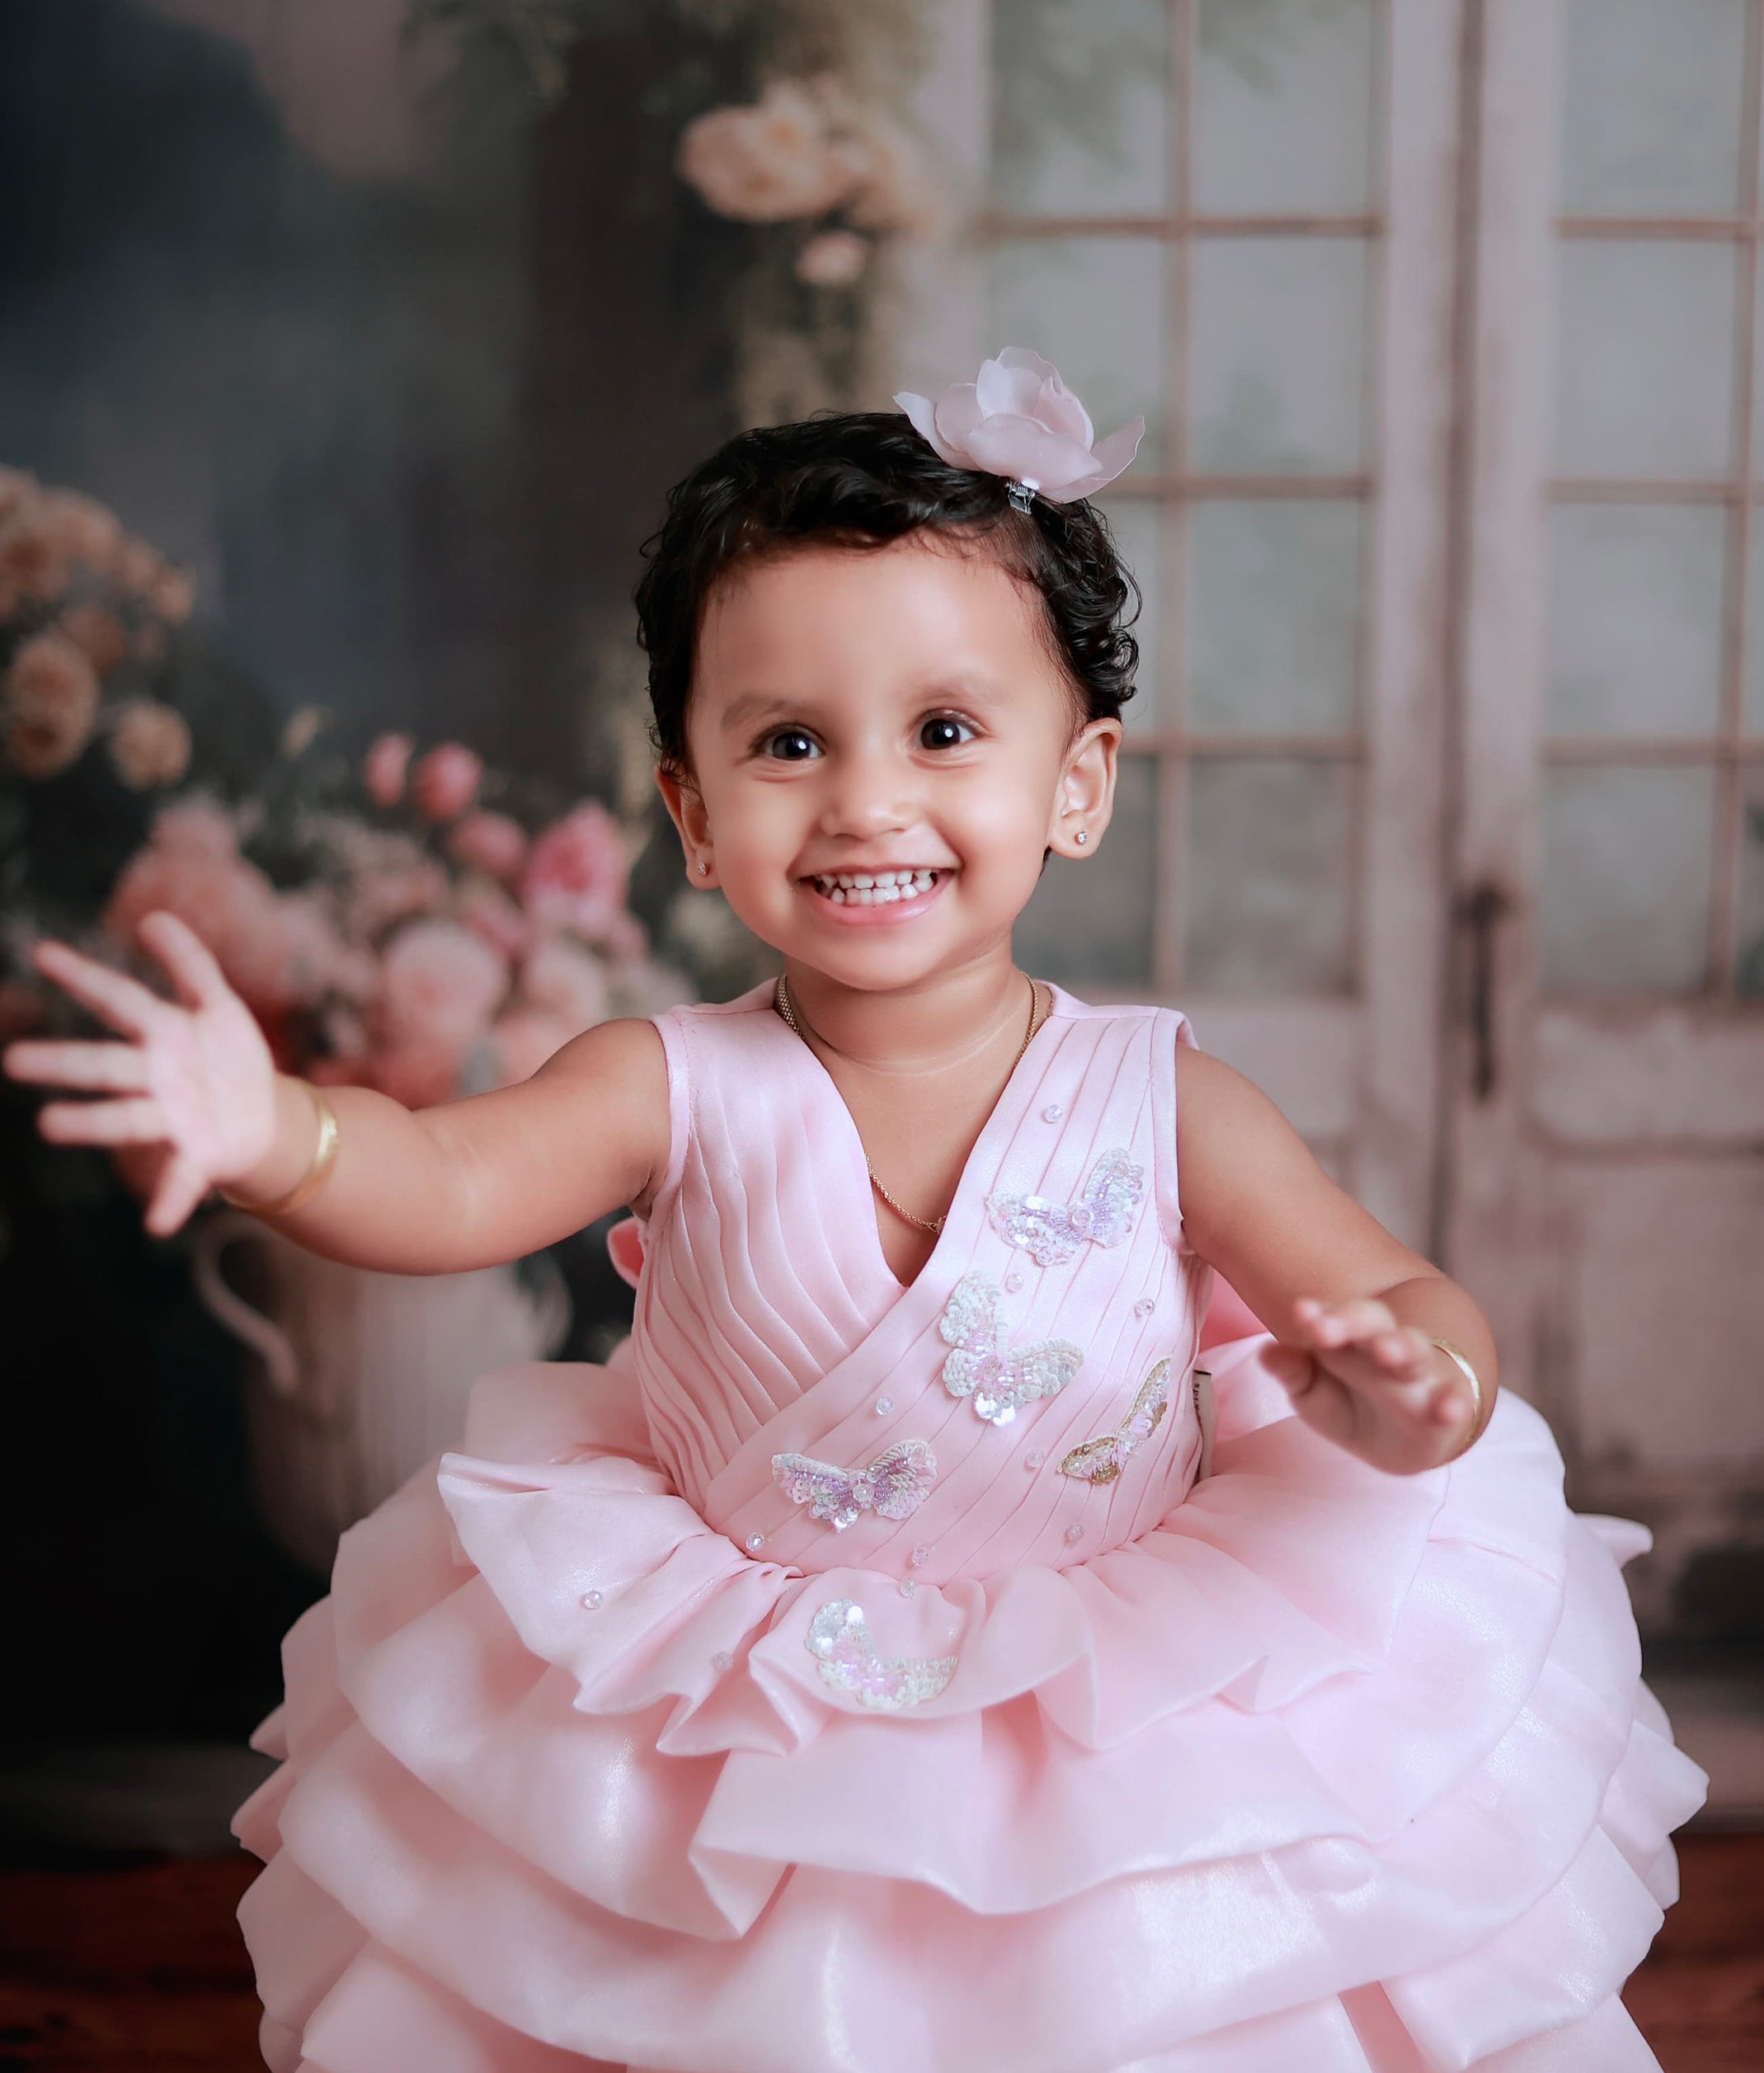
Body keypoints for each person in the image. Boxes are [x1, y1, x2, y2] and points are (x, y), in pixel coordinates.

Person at [6, 350, 1706, 2071]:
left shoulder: (1165, 1102)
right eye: (788, 741)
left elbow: (1394, 1292)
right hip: (749, 1721)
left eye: (943, 731)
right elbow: (445, 1183)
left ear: (1077, 782)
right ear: (688, 807)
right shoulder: (662, 1081)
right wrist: (274, 1128)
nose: (865, 799)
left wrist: (1417, 1389)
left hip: (1106, 1706)